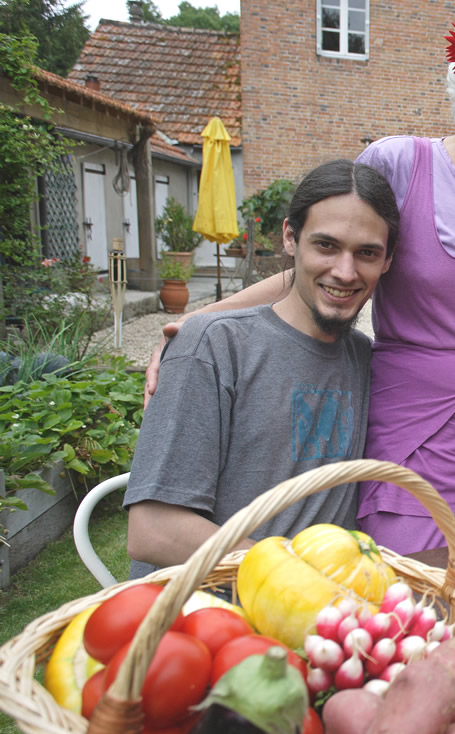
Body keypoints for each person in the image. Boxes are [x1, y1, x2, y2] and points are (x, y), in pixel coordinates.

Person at [144, 0, 455, 554]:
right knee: (404, 584)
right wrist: (201, 320)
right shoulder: (398, 164)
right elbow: (328, 269)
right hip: (407, 423)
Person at [125, 160, 399, 576]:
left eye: (366, 253)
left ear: (388, 261)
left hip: (317, 620)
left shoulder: (364, 357)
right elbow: (153, 530)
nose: (345, 271)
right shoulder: (214, 347)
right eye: (326, 245)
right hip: (209, 618)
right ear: (291, 238)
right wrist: (292, 575)